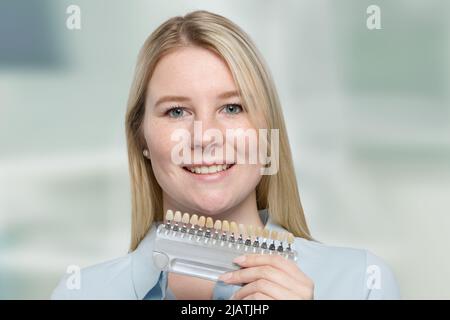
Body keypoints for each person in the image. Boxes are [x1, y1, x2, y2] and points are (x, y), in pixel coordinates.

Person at [51, 10, 400, 300]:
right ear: (141, 136)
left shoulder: (362, 282)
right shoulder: (80, 293)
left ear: (267, 135)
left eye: (232, 107)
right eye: (176, 112)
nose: (205, 137)